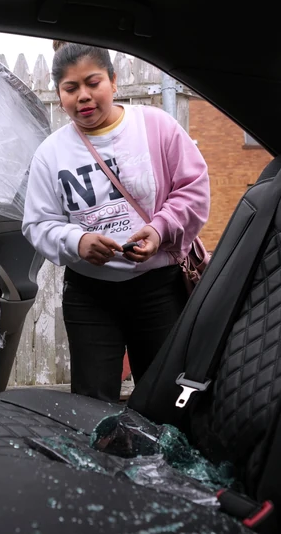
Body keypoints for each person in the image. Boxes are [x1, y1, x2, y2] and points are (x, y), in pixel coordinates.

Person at [22, 42, 210, 402]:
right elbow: (38, 223)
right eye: (71, 88)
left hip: (160, 289)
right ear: (59, 94)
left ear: (113, 80)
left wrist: (159, 230)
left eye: (93, 83)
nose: (83, 96)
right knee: (92, 400)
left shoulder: (155, 126)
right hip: (89, 294)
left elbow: (194, 189)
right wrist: (77, 242)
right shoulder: (50, 153)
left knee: (163, 397)